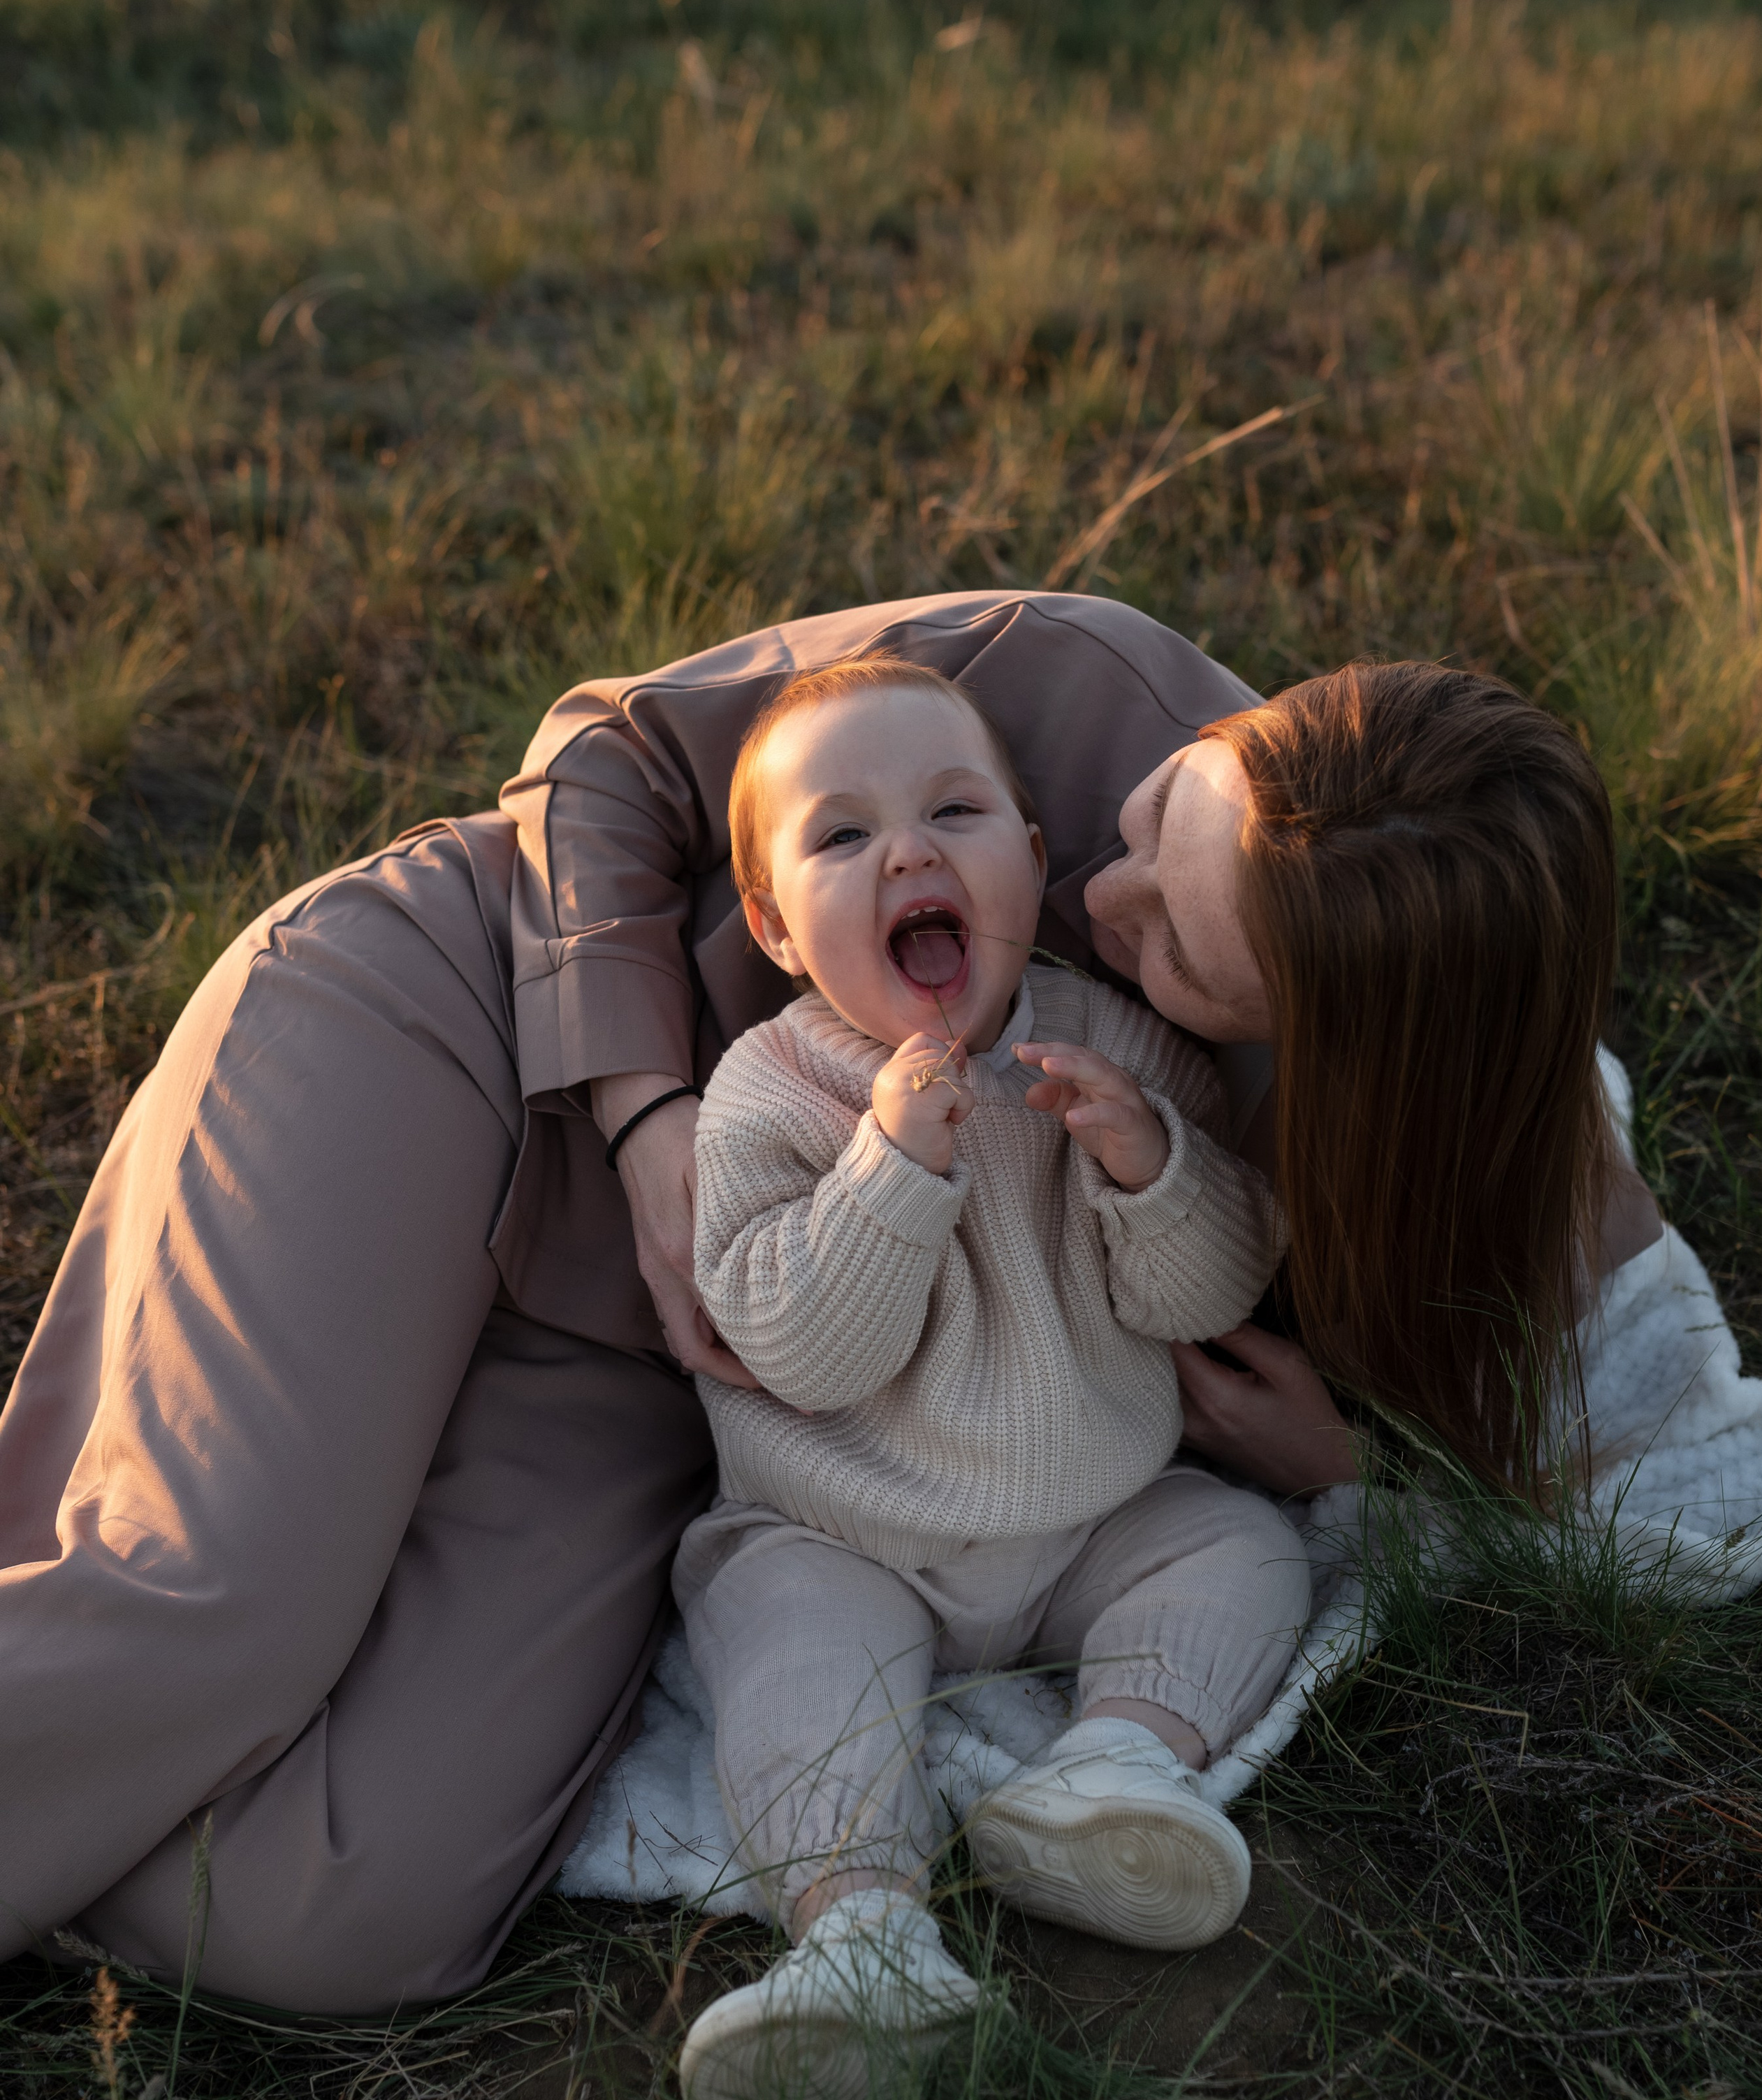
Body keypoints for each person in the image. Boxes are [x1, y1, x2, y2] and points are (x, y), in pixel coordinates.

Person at [0, 591, 1658, 2013]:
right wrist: (646, 1115)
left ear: (1325, 1047)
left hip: (679, 1367)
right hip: (459, 1062)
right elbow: (600, 753)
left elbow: (1572, 1428)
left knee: (338, 1903)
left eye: (1182, 954)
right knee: (215, 1610)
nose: (1102, 897)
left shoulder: (1400, 1109)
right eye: (1145, 826)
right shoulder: (1068, 683)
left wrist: (1339, 1458)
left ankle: (134, 1735)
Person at [662, 653, 1303, 2100]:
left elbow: (1207, 1294)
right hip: (842, 1529)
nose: (907, 851)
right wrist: (893, 1171)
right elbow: (800, 1354)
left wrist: (1147, 1166)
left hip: (1096, 1510)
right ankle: (860, 1931)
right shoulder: (767, 1094)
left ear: (1029, 857)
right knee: (793, 1670)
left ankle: (1110, 1767)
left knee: (1243, 1550)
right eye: (837, 838)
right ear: (769, 926)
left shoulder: (1116, 1049)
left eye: (956, 809)